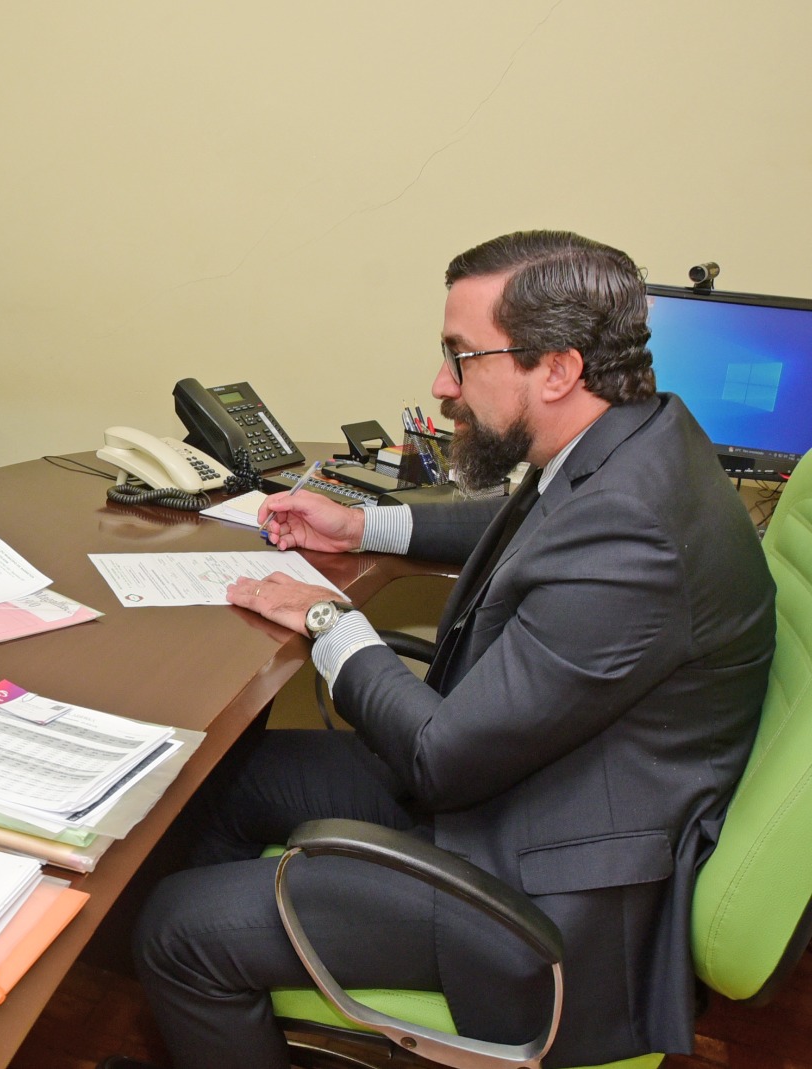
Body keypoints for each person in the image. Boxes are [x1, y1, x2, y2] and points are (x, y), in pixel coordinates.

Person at [126, 231, 776, 1069]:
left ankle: (203, 975)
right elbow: (529, 520)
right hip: (532, 790)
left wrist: (330, 621)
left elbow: (440, 757)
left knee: (178, 928)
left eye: (461, 357)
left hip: (539, 897)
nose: (442, 385)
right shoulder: (635, 441)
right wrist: (366, 524)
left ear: (558, 368)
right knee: (223, 784)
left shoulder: (634, 536)